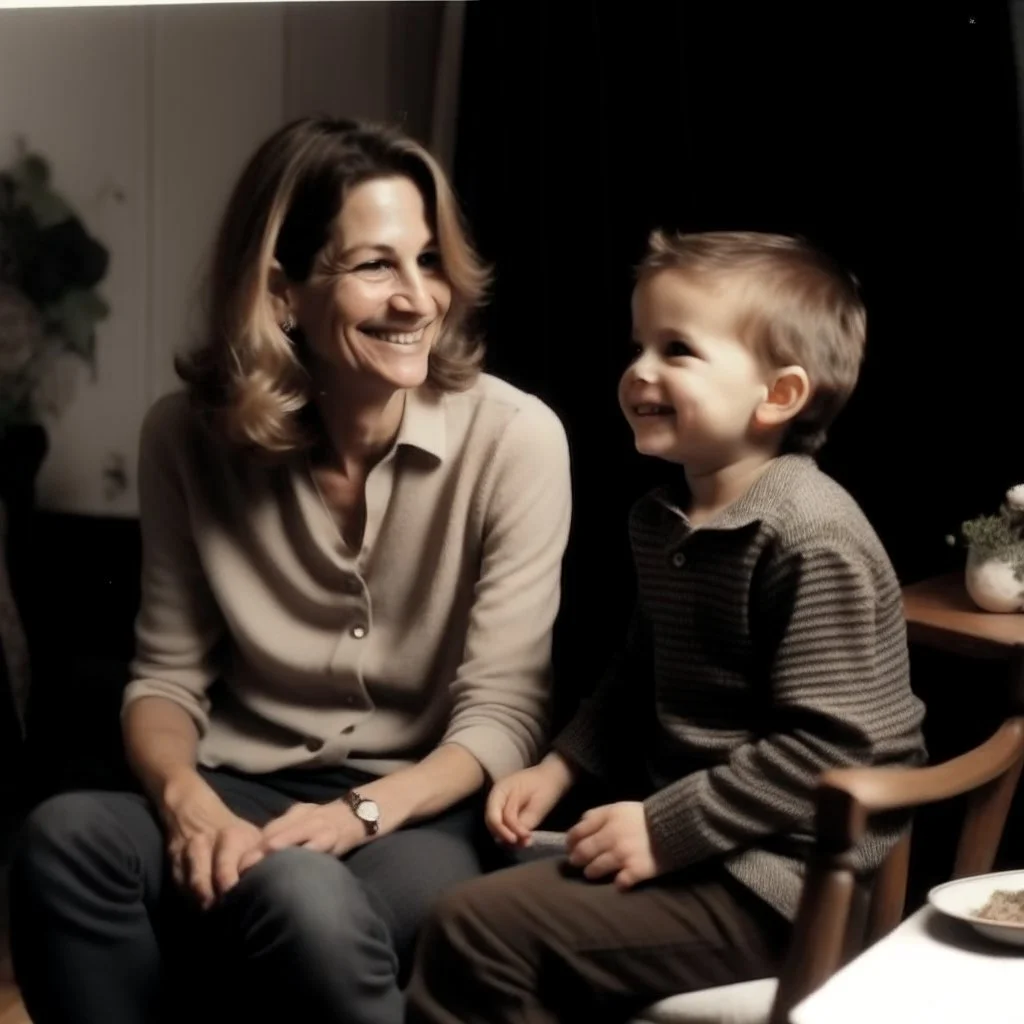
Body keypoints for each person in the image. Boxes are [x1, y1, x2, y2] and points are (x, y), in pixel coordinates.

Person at [9, 117, 572, 1024]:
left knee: (298, 895)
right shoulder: (184, 436)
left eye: (427, 261)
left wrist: (359, 815)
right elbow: (165, 677)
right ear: (282, 296)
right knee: (63, 839)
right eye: (375, 265)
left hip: (417, 810)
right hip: (238, 784)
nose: (419, 299)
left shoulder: (517, 440)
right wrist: (188, 801)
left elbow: (505, 711)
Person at [406, 230, 927, 1024]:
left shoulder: (809, 535)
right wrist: (560, 767)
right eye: (638, 344)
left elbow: (835, 748)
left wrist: (662, 827)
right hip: (706, 849)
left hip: (786, 884)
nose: (639, 371)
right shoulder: (667, 519)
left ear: (778, 395)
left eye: (677, 349)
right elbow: (635, 673)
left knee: (473, 929)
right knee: (463, 880)